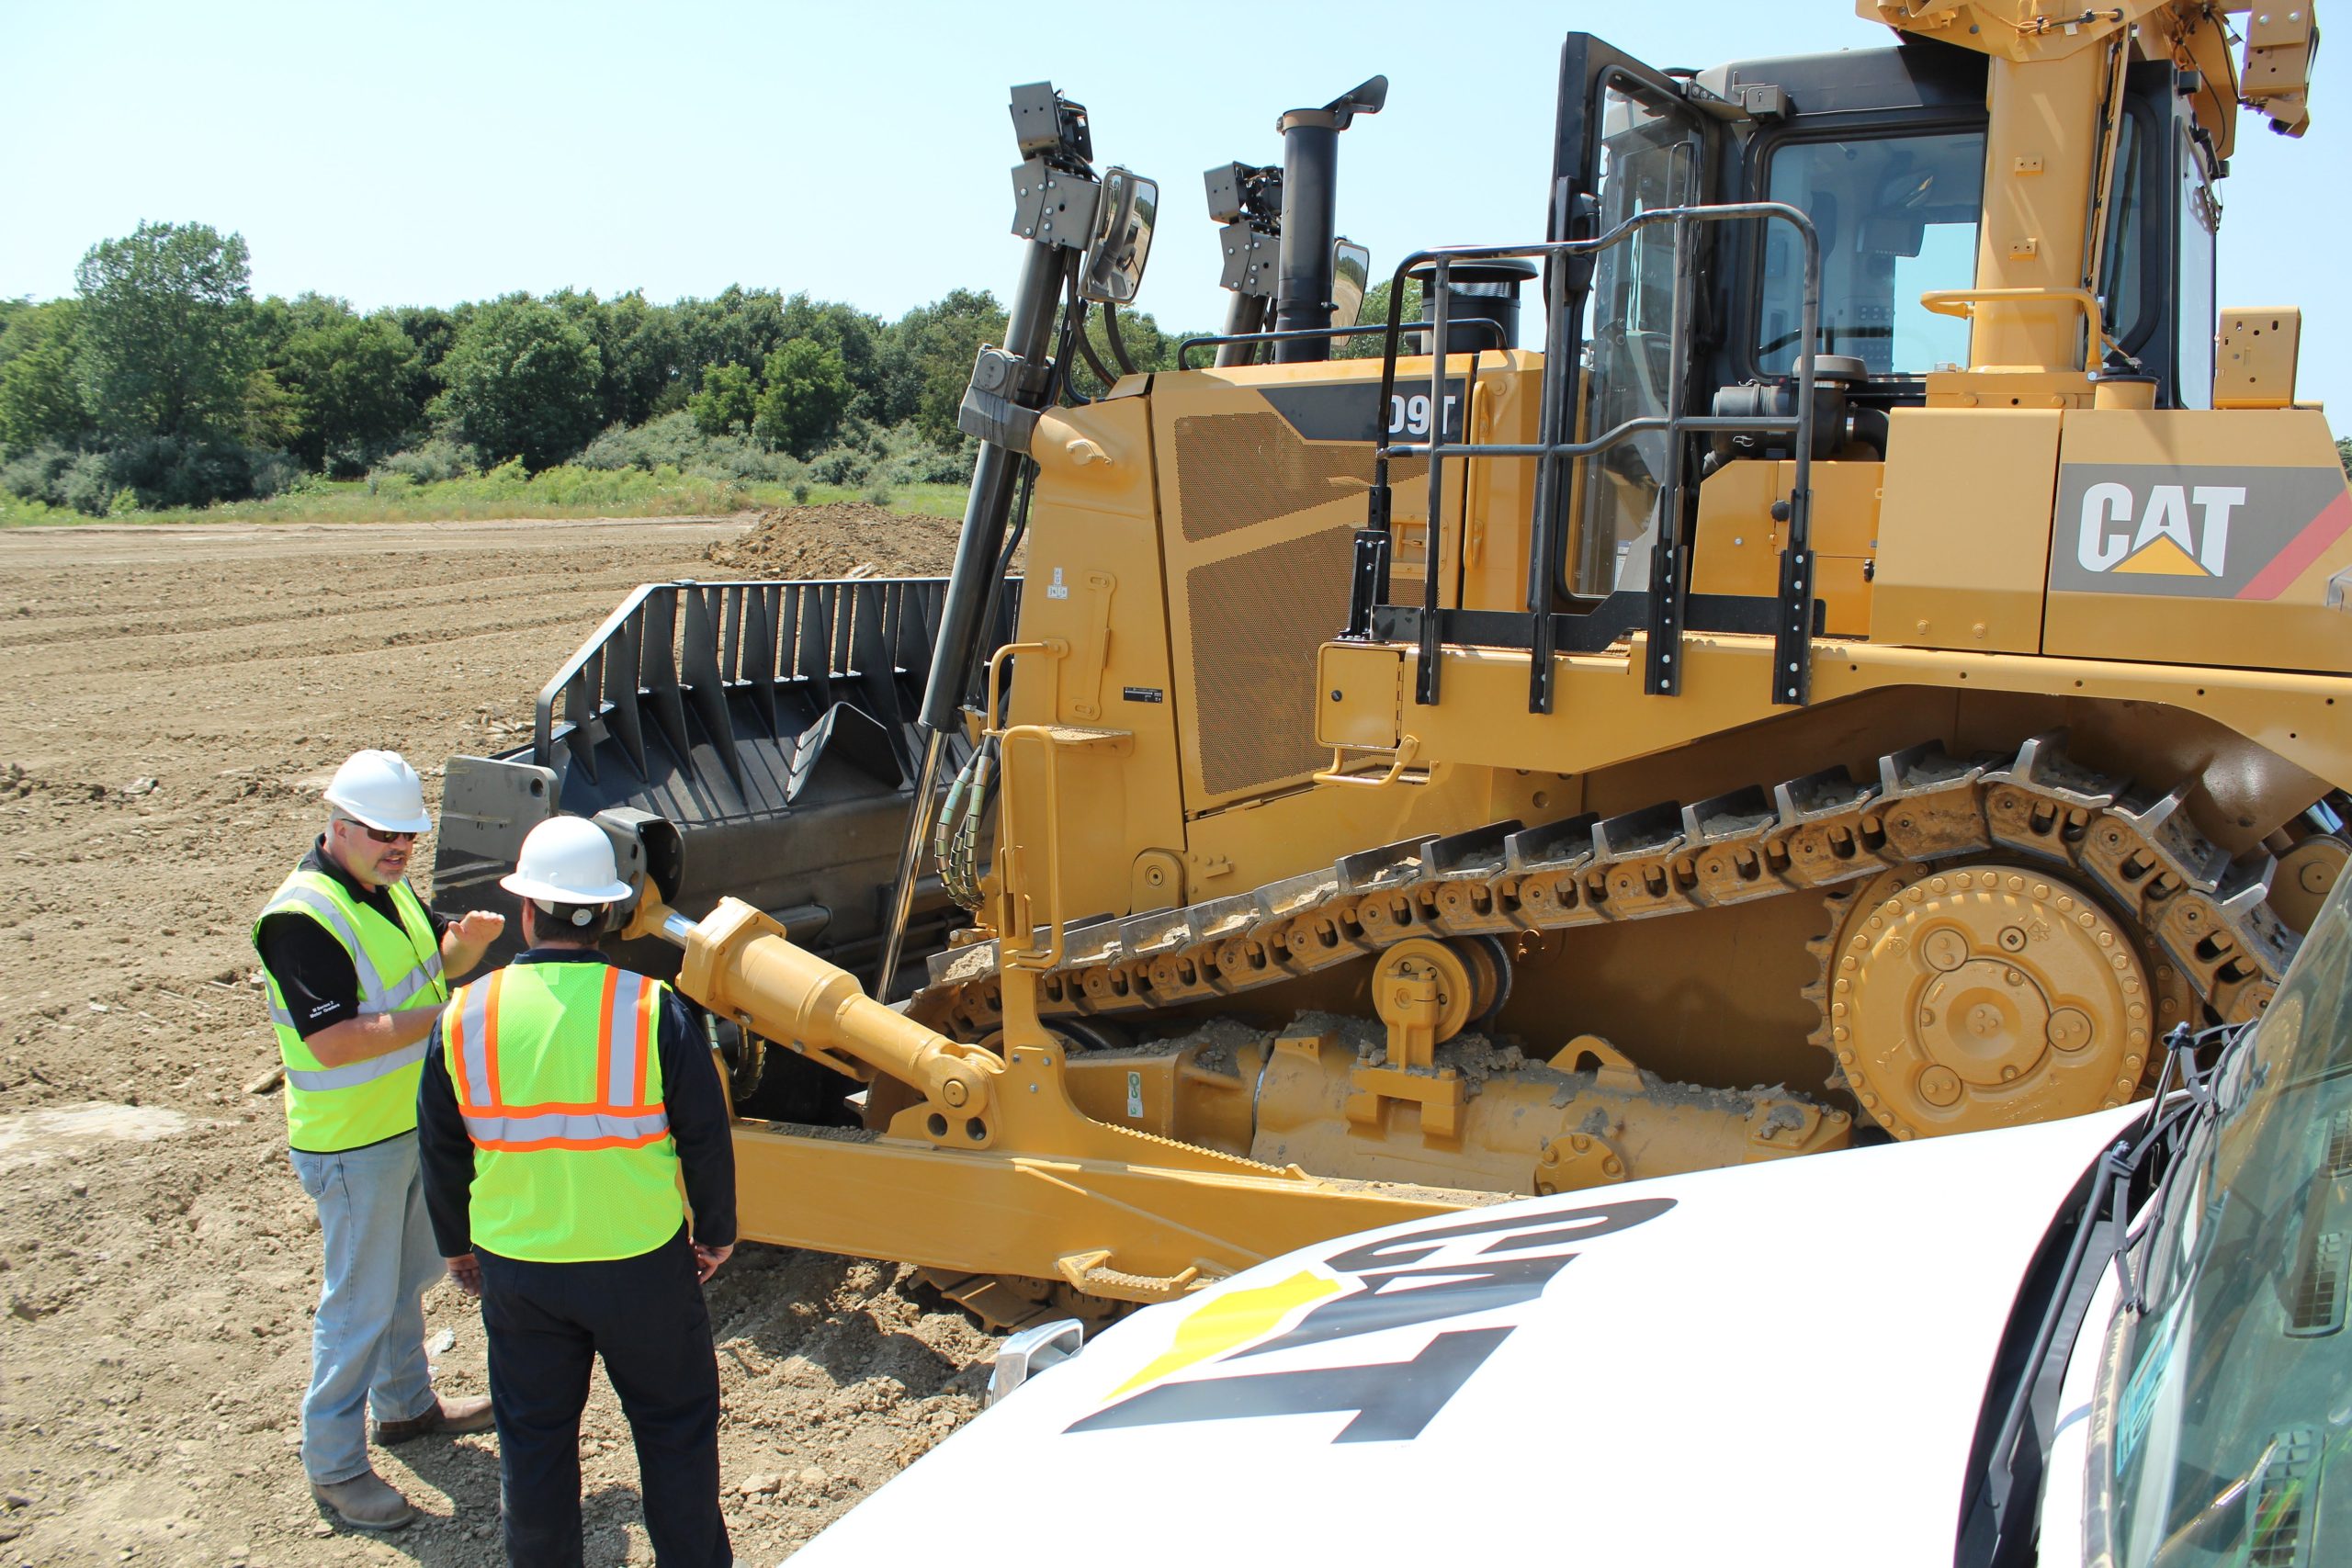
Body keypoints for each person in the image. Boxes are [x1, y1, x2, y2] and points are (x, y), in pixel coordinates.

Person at [417, 815, 738, 1567]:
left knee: (533, 1446)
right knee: (675, 1434)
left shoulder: (465, 1014)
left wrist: (457, 1249)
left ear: (528, 910)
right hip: (642, 1264)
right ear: (612, 915)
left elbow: (440, 1147)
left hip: (520, 1269)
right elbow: (705, 1135)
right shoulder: (657, 1009)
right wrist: (715, 1231)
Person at [253, 749, 505, 1531]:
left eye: (408, 836)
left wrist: (469, 946)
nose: (400, 849)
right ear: (338, 825)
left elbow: (433, 966)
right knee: (356, 1305)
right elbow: (333, 1041)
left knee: (405, 1280)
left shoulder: (385, 894)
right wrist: (447, 1018)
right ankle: (333, 1464)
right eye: (384, 834)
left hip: (404, 1128)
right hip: (350, 1143)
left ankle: (405, 1409)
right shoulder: (303, 918)